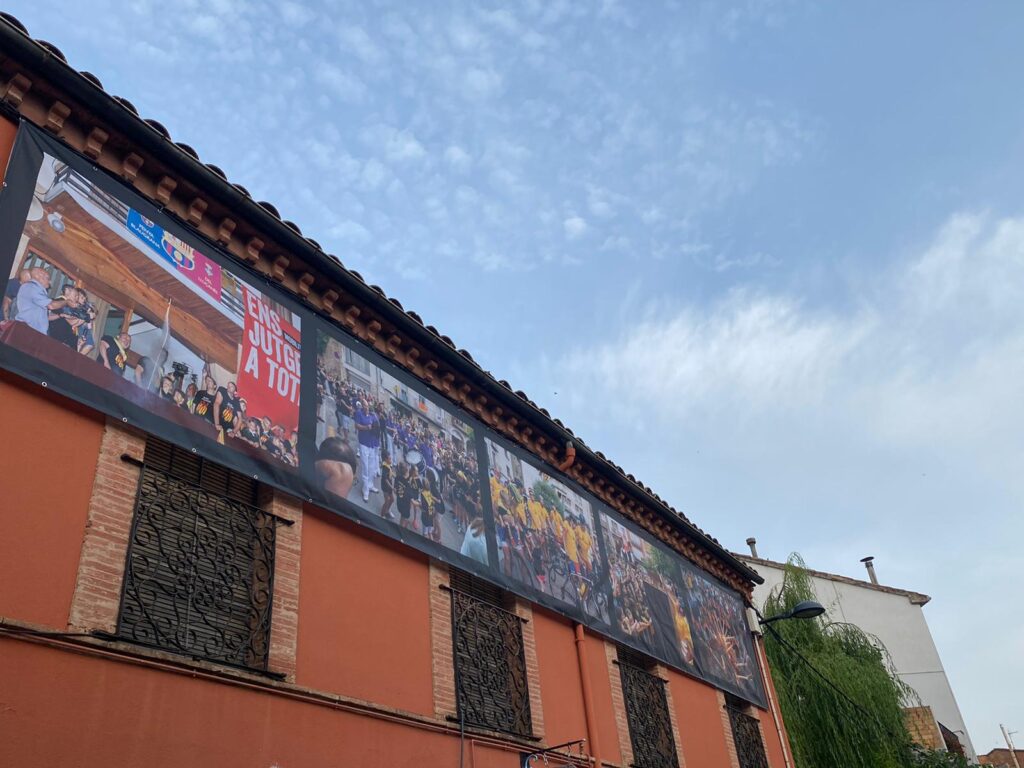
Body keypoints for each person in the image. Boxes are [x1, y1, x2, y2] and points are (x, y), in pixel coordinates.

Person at [15, 268, 64, 335]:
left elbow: (45, 317)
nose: (50, 282)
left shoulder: (37, 290)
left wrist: (60, 315)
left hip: (35, 332)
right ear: (38, 276)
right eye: (48, 278)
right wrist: (67, 301)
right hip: (28, 330)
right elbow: (51, 305)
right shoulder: (30, 287)